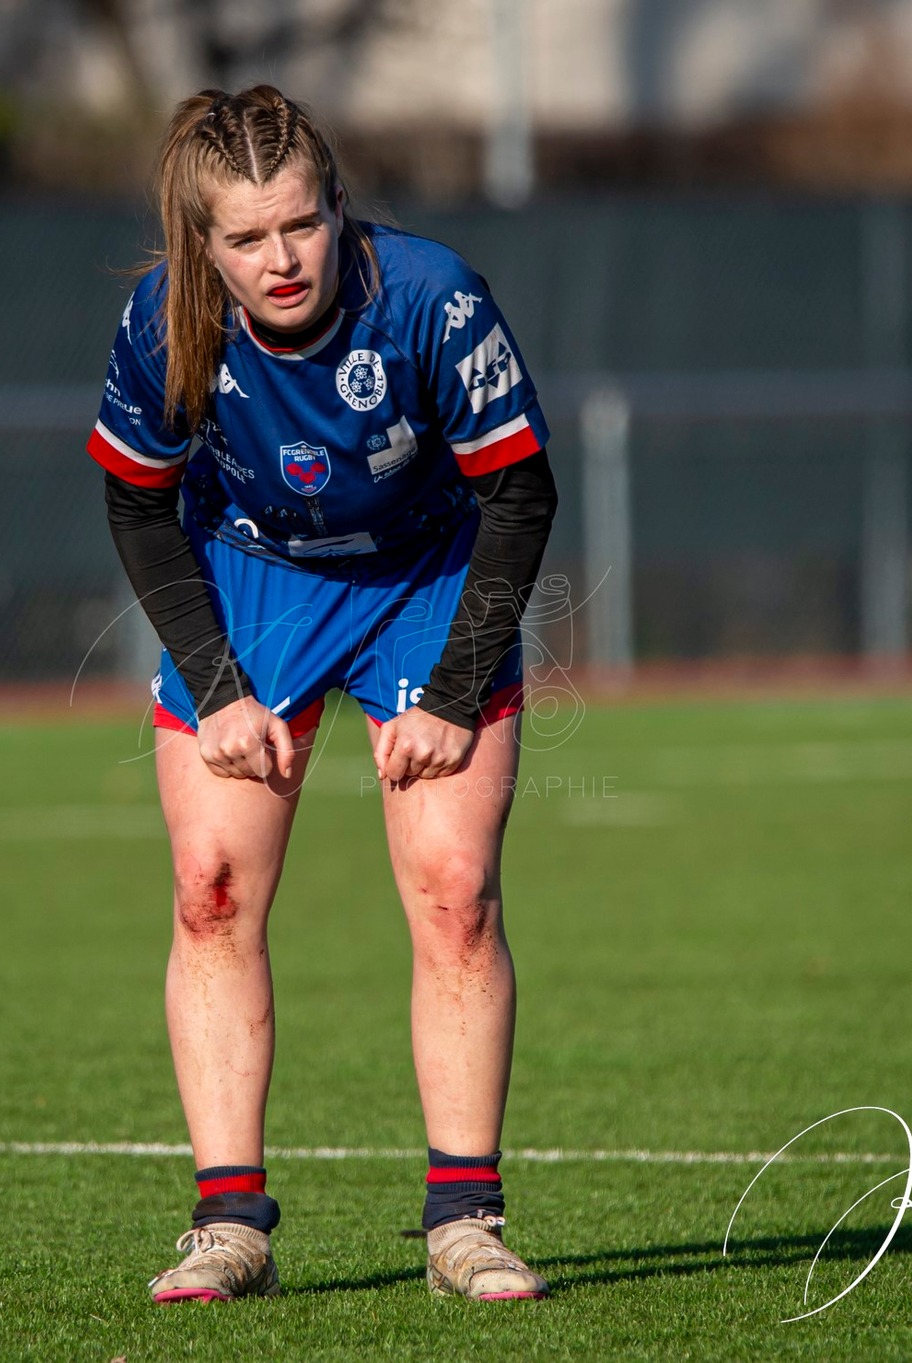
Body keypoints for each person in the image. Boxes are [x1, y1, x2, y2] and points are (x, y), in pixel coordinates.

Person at [90, 85, 558, 1304]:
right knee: (210, 894)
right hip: (253, 576)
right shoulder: (162, 320)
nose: (278, 259)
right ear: (203, 245)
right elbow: (138, 502)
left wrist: (454, 689)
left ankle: (465, 1220)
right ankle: (227, 1225)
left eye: (299, 225)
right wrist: (218, 686)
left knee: (454, 892)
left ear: (339, 207)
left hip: (426, 574)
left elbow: (519, 494)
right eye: (243, 238)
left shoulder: (429, 298)